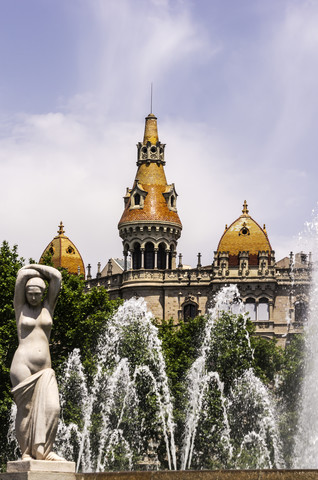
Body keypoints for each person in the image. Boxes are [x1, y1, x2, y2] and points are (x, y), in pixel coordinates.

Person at [10, 264, 64, 461]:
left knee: (53, 408)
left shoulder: (48, 307)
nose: (33, 297)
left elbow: (56, 276)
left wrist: (34, 267)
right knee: (26, 410)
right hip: (22, 364)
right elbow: (21, 275)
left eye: (37, 294)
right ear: (25, 293)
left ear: (43, 294)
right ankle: (26, 454)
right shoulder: (20, 308)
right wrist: (29, 272)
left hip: (45, 369)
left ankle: (44, 451)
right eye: (30, 294)